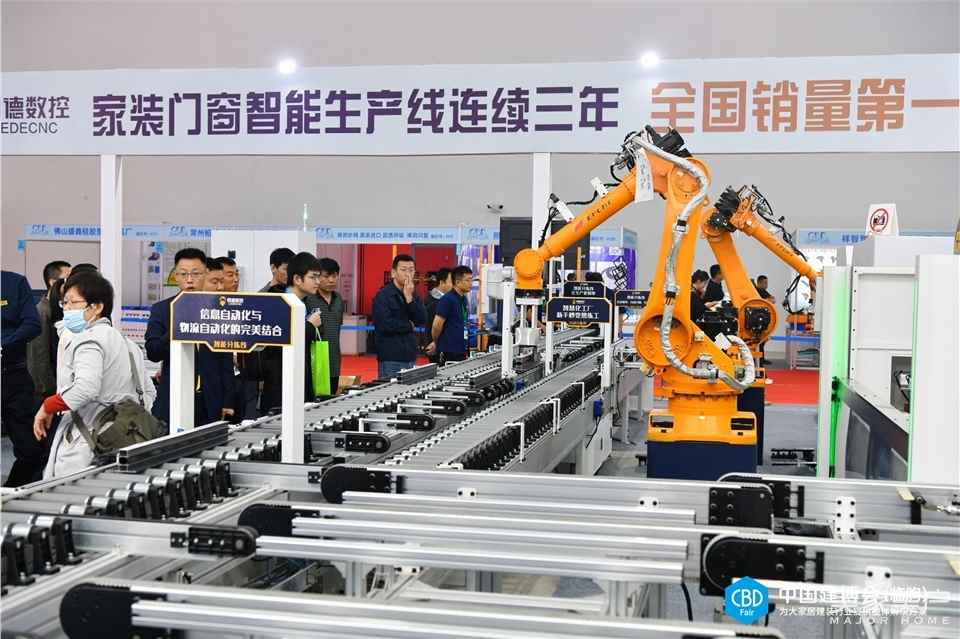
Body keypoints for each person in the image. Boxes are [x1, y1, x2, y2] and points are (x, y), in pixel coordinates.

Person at [31, 271, 155, 479]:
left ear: (97, 307)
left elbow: (85, 389)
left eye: (73, 302)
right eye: (64, 303)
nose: (66, 309)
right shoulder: (128, 344)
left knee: (72, 493)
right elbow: (149, 392)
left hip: (89, 438)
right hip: (129, 435)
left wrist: (47, 406)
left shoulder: (88, 340)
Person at [145, 248, 234, 428]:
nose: (190, 280)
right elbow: (153, 352)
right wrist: (177, 327)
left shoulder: (218, 311)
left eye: (196, 274)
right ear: (176, 276)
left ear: (205, 274)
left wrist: (228, 401)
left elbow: (225, 360)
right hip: (173, 399)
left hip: (210, 401)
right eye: (184, 274)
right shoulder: (162, 309)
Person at [1, 270, 43, 486]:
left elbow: (32, 324)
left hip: (12, 375)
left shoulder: (14, 283)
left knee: (31, 449)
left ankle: (12, 493)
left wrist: (4, 344)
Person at [372, 254, 426, 379]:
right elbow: (384, 325)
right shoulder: (383, 296)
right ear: (393, 273)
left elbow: (422, 319)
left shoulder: (413, 293)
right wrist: (409, 325)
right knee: (391, 389)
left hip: (410, 355)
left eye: (411, 270)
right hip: (391, 357)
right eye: (403, 270)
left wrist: (409, 298)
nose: (408, 274)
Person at [28, 260, 71, 403]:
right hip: (48, 393)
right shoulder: (42, 312)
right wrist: (50, 391)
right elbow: (39, 358)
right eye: (67, 279)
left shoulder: (60, 310)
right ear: (53, 282)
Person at [286, 252, 325, 401]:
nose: (318, 282)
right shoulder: (282, 304)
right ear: (297, 279)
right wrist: (309, 325)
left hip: (304, 373)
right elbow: (288, 340)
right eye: (313, 277)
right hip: (286, 383)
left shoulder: (305, 303)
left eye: (318, 277)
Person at [313, 257, 345, 395]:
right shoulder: (308, 298)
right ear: (317, 277)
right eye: (326, 276)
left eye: (334, 276)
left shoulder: (339, 299)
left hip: (334, 361)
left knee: (330, 398)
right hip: (314, 361)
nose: (331, 280)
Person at [428, 265, 472, 365]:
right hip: (448, 351)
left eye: (471, 280)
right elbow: (436, 326)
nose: (471, 283)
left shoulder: (463, 299)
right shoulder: (447, 299)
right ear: (457, 282)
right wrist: (437, 342)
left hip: (462, 349)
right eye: (467, 280)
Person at [424, 267, 452, 362]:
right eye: (451, 282)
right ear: (442, 282)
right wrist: (435, 342)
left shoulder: (447, 299)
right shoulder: (433, 301)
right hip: (436, 347)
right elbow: (432, 325)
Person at [755, 275, 773, 365]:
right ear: (759, 283)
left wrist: (766, 300)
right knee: (759, 342)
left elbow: (772, 299)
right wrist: (766, 300)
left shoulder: (763, 291)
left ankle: (761, 359)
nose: (767, 285)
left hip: (763, 319)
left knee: (762, 341)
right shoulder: (755, 291)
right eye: (765, 283)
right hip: (756, 320)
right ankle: (759, 360)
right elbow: (758, 301)